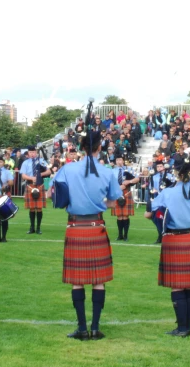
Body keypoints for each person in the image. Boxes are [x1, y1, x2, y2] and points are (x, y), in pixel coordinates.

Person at [52, 125, 121, 341]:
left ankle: (81, 328)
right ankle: (95, 327)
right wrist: (99, 202)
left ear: (81, 148)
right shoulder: (108, 172)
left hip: (75, 228)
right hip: (96, 227)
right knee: (98, 280)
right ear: (100, 147)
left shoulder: (67, 169)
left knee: (78, 280)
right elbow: (113, 202)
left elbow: (52, 196)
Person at [150, 156, 190, 336]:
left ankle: (182, 328)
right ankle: (187, 326)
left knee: (177, 285)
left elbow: (152, 213)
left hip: (173, 239)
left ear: (176, 174)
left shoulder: (167, 193)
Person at [19, 146, 51, 234]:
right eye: (30, 152)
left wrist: (40, 174)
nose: (32, 154)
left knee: (39, 208)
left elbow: (48, 172)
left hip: (39, 185)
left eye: (33, 152)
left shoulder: (41, 161)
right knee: (32, 208)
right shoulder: (25, 163)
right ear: (28, 153)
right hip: (30, 185)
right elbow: (23, 175)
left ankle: (38, 228)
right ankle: (32, 227)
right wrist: (32, 178)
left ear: (36, 152)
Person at [111, 155, 139, 241]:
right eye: (117, 159)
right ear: (115, 161)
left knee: (125, 216)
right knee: (119, 216)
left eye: (120, 159)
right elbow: (109, 182)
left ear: (123, 161)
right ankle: (120, 235)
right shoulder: (112, 171)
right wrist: (117, 187)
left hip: (126, 192)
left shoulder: (128, 169)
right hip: (116, 193)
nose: (119, 161)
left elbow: (137, 179)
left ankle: (125, 235)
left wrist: (128, 181)